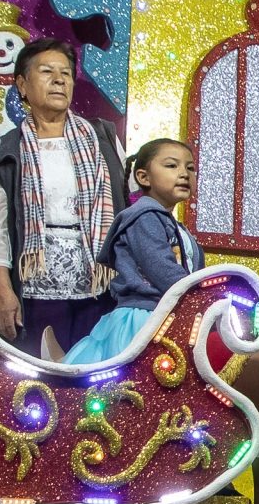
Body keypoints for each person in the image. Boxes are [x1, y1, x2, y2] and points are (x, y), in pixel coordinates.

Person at [0, 38, 128, 357]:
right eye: (46, 71)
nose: (59, 79)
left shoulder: (102, 139)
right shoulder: (7, 151)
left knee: (92, 383)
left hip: (98, 287)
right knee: (40, 384)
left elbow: (128, 210)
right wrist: (3, 292)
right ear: (22, 85)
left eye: (66, 73)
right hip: (35, 289)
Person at [64, 139, 202, 364]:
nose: (184, 174)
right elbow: (162, 269)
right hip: (143, 318)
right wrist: (202, 296)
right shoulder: (144, 216)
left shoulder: (177, 228)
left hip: (169, 315)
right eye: (171, 166)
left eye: (190, 168)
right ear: (143, 177)